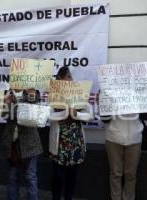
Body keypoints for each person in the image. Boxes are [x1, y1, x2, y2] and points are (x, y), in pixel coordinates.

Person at [49, 66, 94, 200]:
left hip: (75, 142)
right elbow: (48, 115)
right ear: (60, 79)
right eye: (67, 77)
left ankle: (69, 197)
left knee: (72, 176)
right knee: (58, 176)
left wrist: (77, 114)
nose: (70, 80)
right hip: (59, 144)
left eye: (71, 77)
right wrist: (64, 113)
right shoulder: (54, 94)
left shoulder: (79, 94)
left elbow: (90, 114)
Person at [3, 89, 43, 200]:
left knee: (31, 177)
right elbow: (4, 115)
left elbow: (32, 114)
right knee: (12, 177)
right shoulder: (8, 93)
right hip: (12, 145)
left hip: (30, 144)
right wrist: (6, 103)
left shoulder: (33, 93)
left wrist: (14, 107)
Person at [102, 113, 147, 200]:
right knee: (115, 173)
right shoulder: (108, 98)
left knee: (131, 174)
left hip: (135, 137)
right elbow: (104, 119)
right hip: (113, 137)